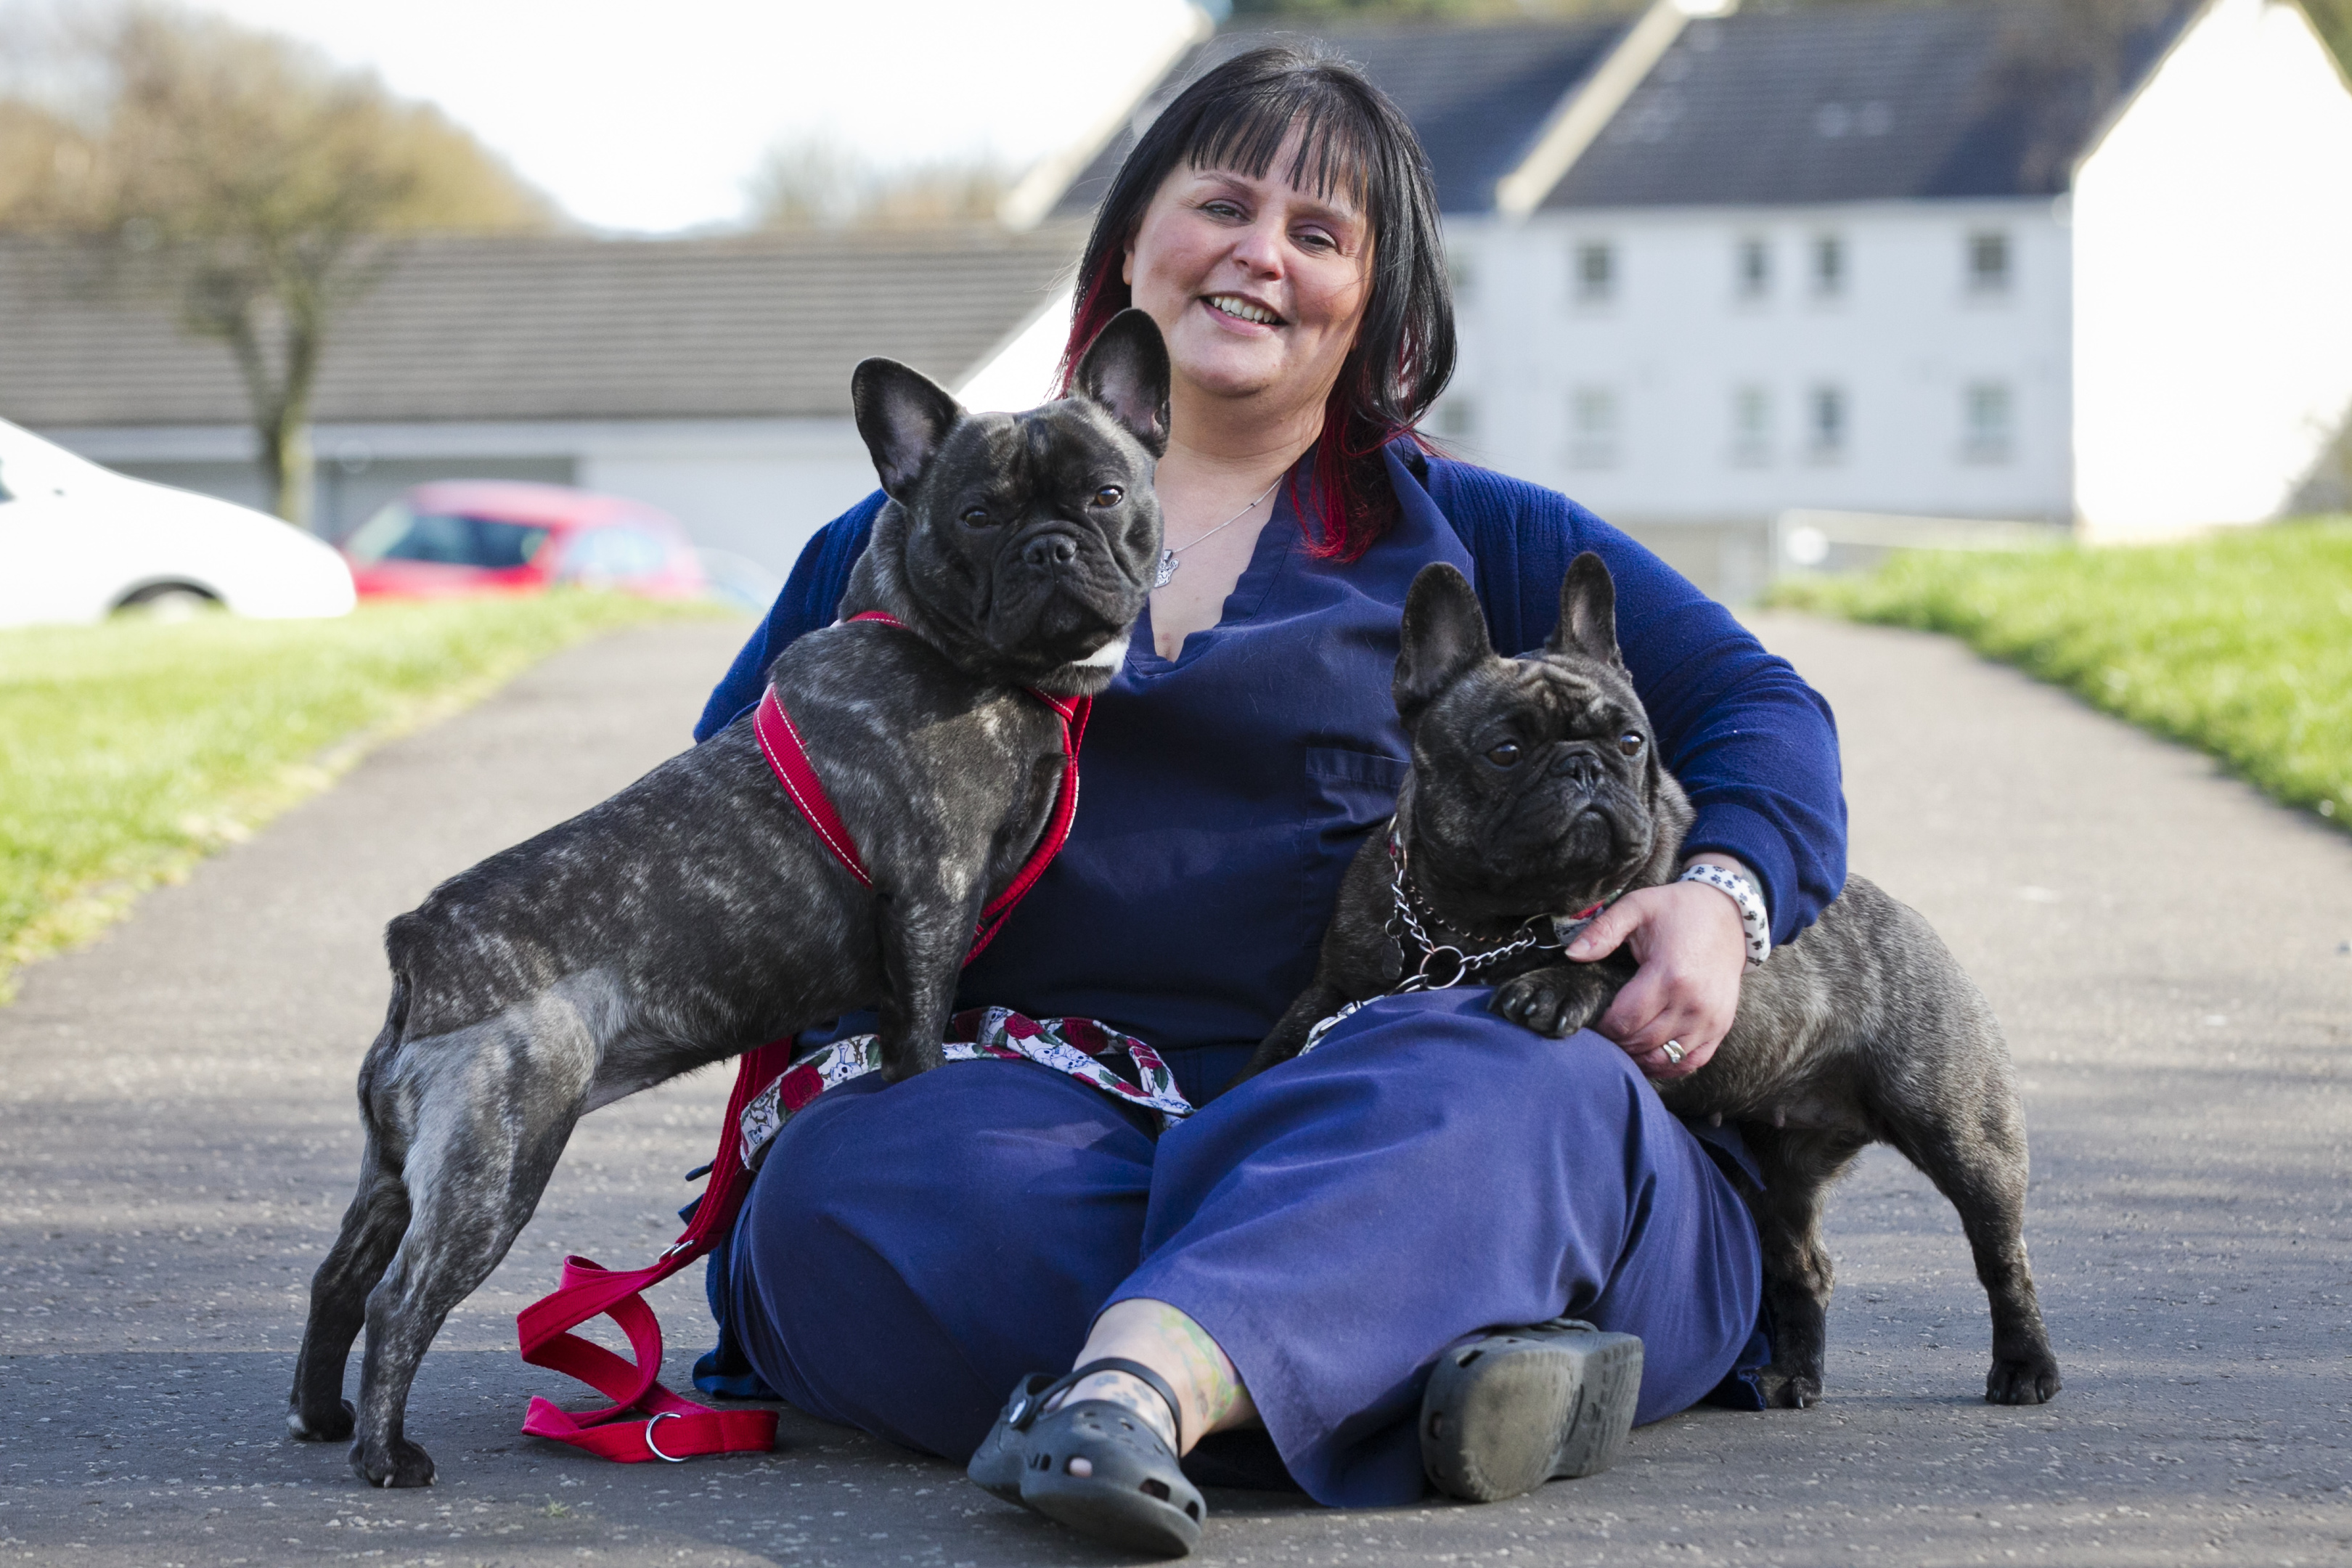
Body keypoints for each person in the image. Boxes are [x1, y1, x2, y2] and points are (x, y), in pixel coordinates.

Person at [690, 44, 1845, 1555]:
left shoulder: (1482, 531)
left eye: (1319, 233)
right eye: (1222, 202)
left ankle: (1138, 1385)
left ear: (1379, 299)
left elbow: (1764, 710)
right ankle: (1397, 1369)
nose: (1260, 254)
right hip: (1047, 1127)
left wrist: (1722, 896)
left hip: (1428, 1097)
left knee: (1523, 1094)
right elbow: (728, 819)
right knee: (847, 1189)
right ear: (1131, 244)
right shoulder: (919, 524)